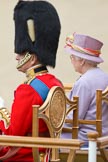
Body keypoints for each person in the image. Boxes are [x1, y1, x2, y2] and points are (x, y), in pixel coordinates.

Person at [0, 0, 62, 161]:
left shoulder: (28, 89)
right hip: (46, 153)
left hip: (26, 155)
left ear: (32, 58)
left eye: (21, 53)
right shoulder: (55, 83)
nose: (16, 56)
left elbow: (12, 135)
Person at [61, 32, 108, 145]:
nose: (71, 61)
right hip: (104, 135)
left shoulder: (84, 82)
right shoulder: (105, 76)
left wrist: (52, 123)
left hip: (86, 137)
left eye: (72, 57)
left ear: (82, 61)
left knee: (46, 139)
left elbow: (73, 120)